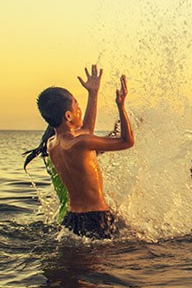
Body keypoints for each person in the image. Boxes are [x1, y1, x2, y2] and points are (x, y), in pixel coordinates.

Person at [24, 64, 134, 238]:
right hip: (97, 218)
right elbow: (127, 141)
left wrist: (93, 93)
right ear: (68, 116)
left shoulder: (52, 144)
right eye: (77, 106)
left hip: (72, 218)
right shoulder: (81, 142)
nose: (80, 110)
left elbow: (87, 129)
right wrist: (121, 106)